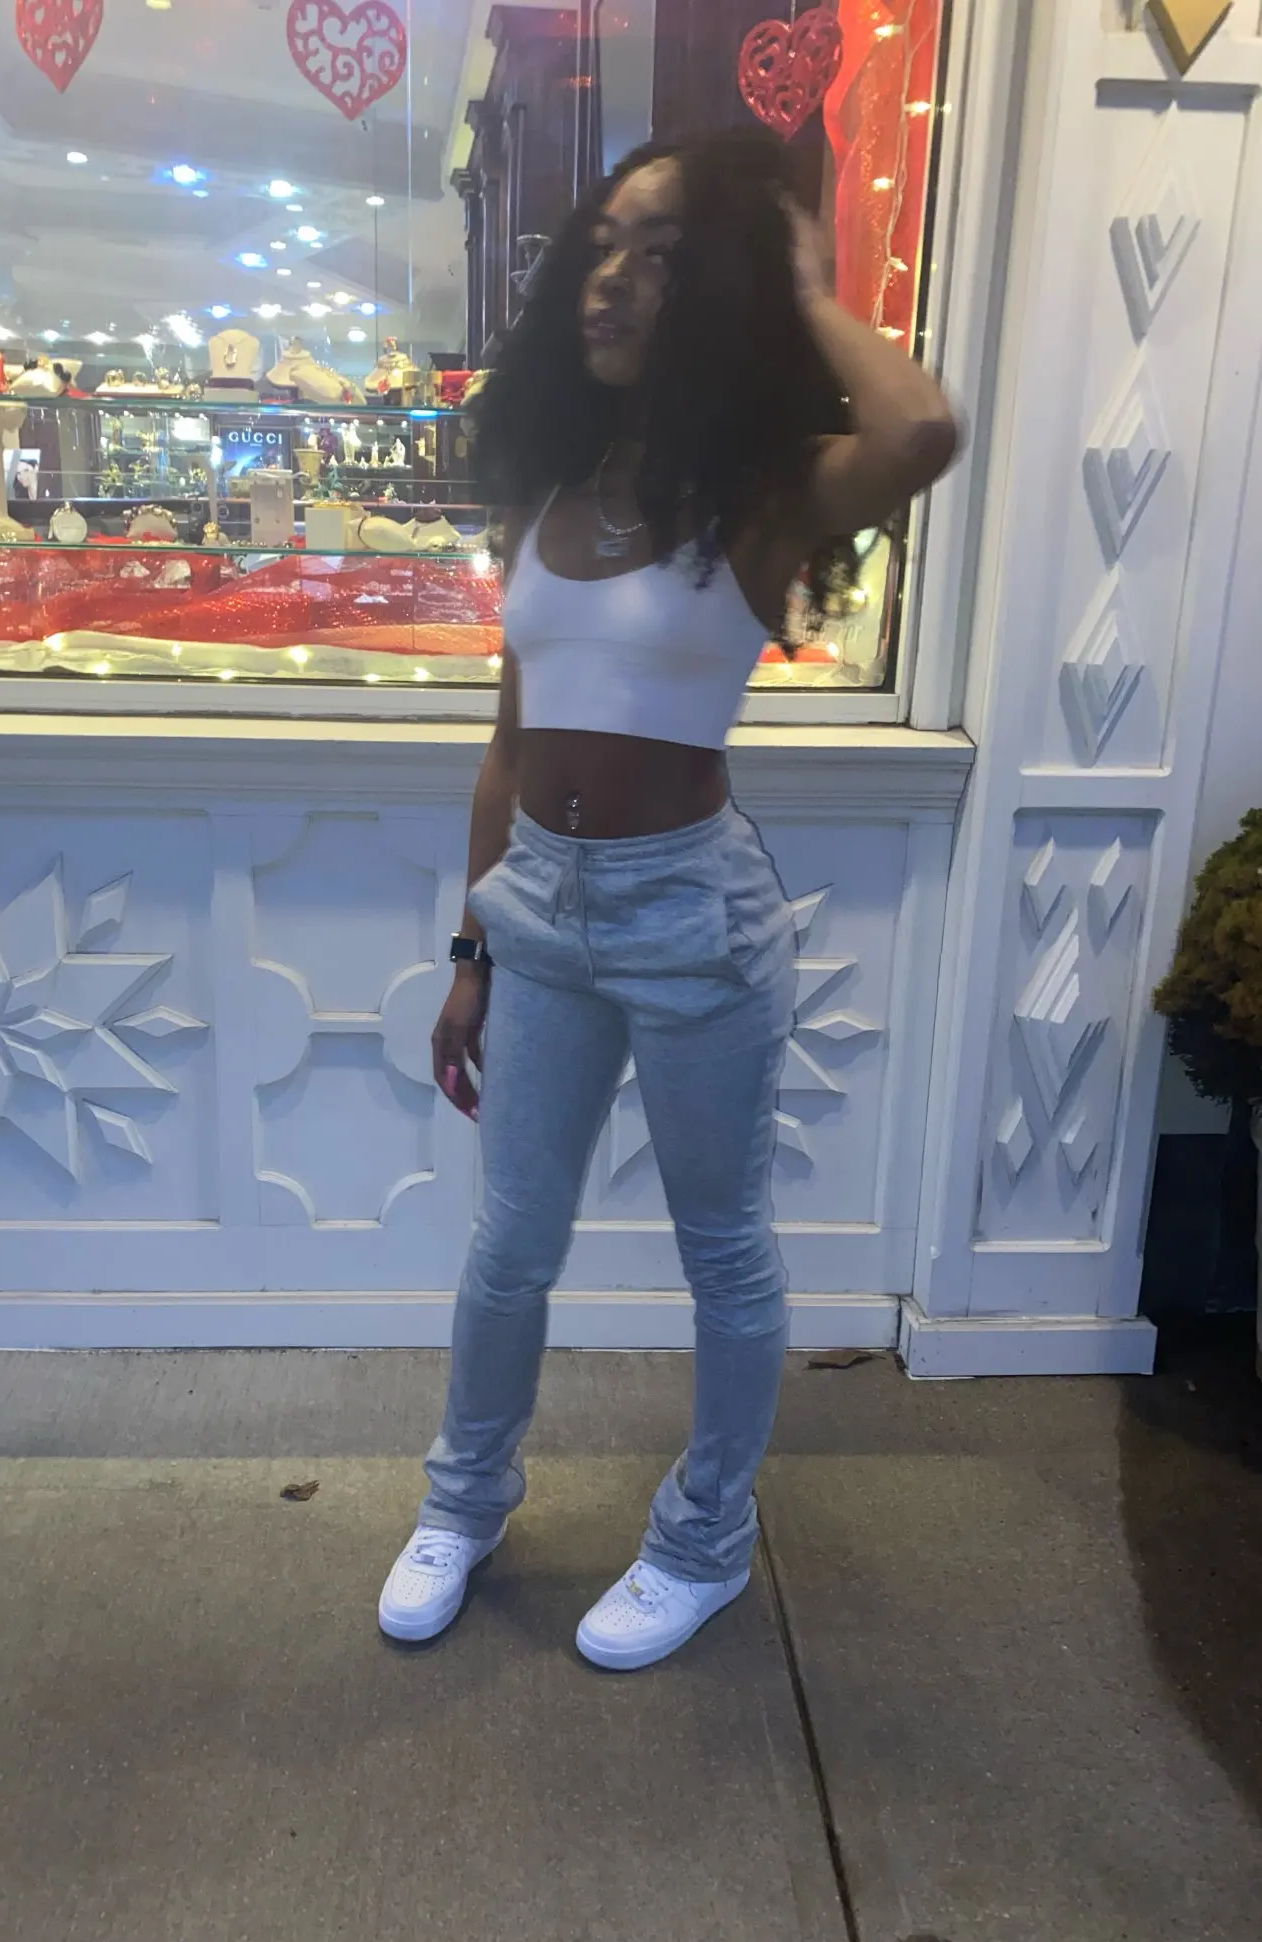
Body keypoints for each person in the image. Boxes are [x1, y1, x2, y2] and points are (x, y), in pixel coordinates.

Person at [378, 127, 958, 1670]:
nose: (614, 278)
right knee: (510, 1245)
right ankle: (463, 1500)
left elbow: (921, 427)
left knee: (724, 1252)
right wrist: (471, 947)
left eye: (664, 254)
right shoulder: (547, 489)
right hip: (541, 914)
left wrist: (804, 284)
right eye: (605, 243)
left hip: (693, 922)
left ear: (723, 296)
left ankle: (704, 1541)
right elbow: (509, 745)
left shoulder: (762, 500)